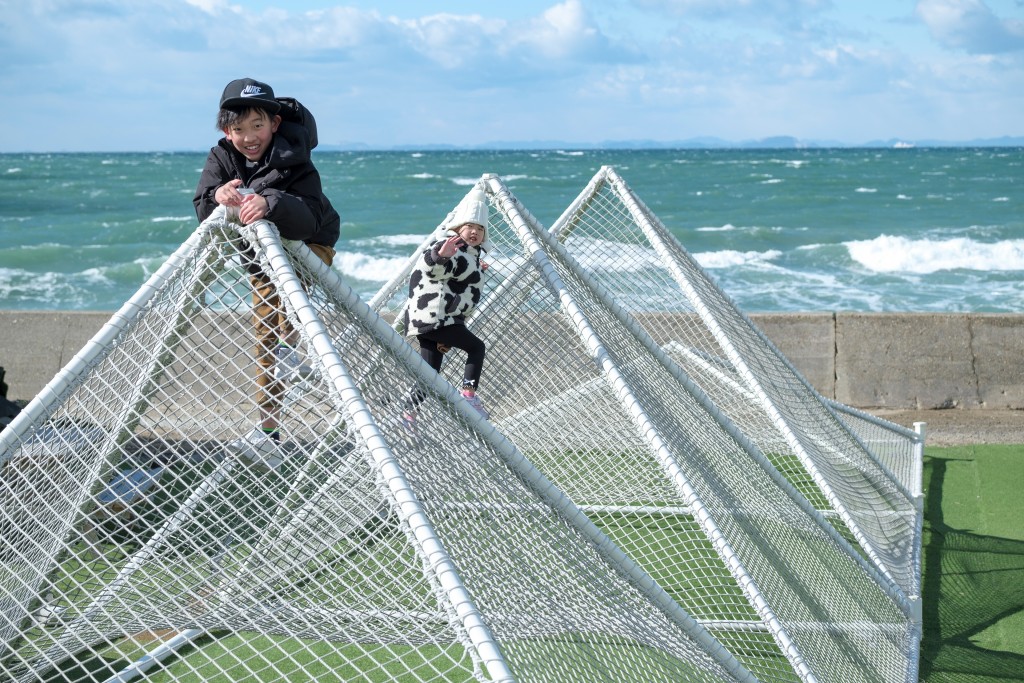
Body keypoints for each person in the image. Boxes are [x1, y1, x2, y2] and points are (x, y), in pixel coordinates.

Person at [193, 77, 340, 470]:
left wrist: (269, 201)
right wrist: (218, 197)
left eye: (257, 125)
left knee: (288, 302)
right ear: (226, 130)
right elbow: (202, 206)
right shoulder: (221, 157)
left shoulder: (296, 155)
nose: (249, 137)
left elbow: (308, 217)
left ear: (275, 123)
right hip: (259, 256)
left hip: (309, 245)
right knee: (265, 334)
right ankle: (269, 431)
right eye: (238, 129)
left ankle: (290, 346)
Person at [402, 187, 491, 427]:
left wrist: (476, 273)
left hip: (431, 318)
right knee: (476, 347)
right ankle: (469, 394)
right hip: (436, 317)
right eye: (470, 227)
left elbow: (457, 287)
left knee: (430, 375)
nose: (475, 232)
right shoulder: (452, 246)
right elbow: (433, 269)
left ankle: (408, 413)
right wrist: (440, 256)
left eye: (480, 228)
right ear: (458, 228)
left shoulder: (469, 256)